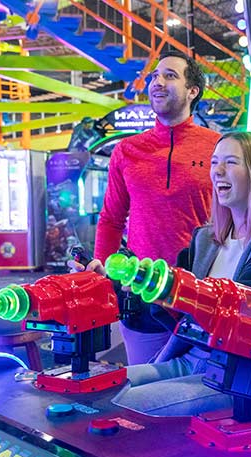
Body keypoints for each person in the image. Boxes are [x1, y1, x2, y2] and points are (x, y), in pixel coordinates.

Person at [110, 131, 251, 417]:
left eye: (231, 162)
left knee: (124, 406)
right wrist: (132, 285)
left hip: (238, 377)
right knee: (102, 391)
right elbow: (177, 309)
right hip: (189, 359)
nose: (217, 171)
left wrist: (182, 295)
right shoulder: (206, 240)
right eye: (214, 162)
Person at [79, 52, 221, 364]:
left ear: (192, 90)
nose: (157, 82)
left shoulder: (218, 148)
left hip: (203, 296)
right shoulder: (127, 151)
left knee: (202, 394)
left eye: (170, 75)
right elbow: (111, 220)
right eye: (155, 76)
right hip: (143, 296)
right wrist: (102, 271)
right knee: (141, 391)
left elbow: (238, 217)